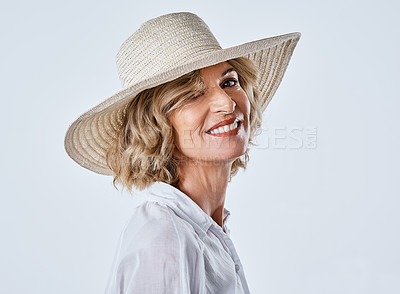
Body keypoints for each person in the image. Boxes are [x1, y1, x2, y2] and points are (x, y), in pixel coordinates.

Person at [64, 12, 300, 294]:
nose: (226, 103)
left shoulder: (203, 228)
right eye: (192, 94)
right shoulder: (165, 240)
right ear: (156, 127)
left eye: (229, 82)